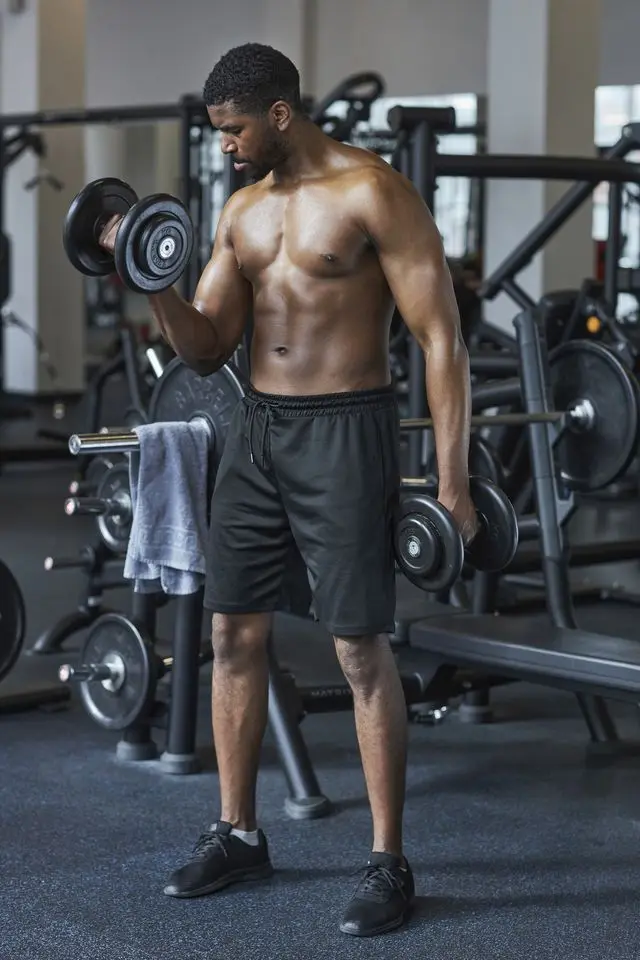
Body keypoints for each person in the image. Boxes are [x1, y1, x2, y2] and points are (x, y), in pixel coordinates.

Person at [101, 42, 477, 937]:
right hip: (256, 433)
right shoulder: (241, 214)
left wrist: (455, 482)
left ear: (278, 114)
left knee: (356, 649)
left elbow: (442, 342)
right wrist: (149, 277)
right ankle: (238, 831)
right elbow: (203, 349)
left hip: (347, 429)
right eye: (216, 133)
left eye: (232, 130)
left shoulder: (371, 192)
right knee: (232, 633)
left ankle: (388, 860)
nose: (224, 147)